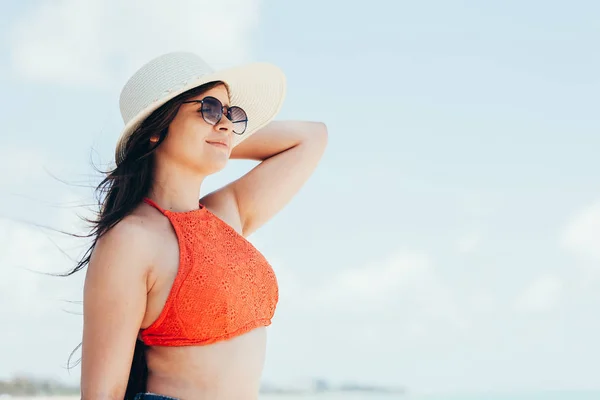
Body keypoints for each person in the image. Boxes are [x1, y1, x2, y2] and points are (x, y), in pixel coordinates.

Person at [76, 51, 328, 400]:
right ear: (156, 128)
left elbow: (312, 137)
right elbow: (102, 394)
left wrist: (217, 138)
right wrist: (185, 136)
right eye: (208, 109)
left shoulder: (227, 214)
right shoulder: (130, 239)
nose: (225, 123)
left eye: (230, 114)